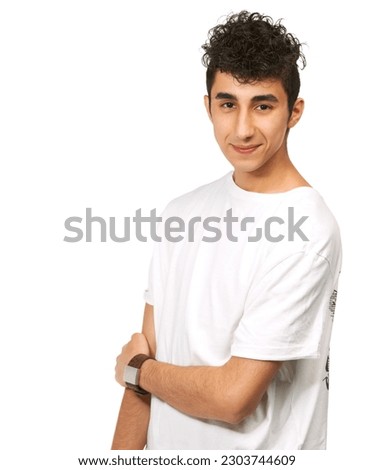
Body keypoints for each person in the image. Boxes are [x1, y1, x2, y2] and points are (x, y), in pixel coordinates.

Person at [111, 11, 342, 450]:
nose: (242, 129)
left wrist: (139, 369)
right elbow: (141, 376)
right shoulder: (182, 213)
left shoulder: (307, 231)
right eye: (228, 103)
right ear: (208, 106)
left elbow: (232, 397)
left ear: (294, 112)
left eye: (263, 105)